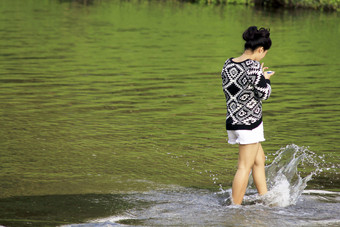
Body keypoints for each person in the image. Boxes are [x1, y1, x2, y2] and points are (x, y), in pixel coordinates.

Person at [221, 26, 275, 205]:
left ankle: (264, 198)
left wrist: (258, 75)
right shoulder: (253, 67)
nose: (263, 56)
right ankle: (234, 208)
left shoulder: (228, 63)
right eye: (264, 52)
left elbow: (238, 89)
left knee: (259, 159)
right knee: (244, 167)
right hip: (249, 123)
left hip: (233, 121)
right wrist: (265, 78)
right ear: (260, 49)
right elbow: (264, 94)